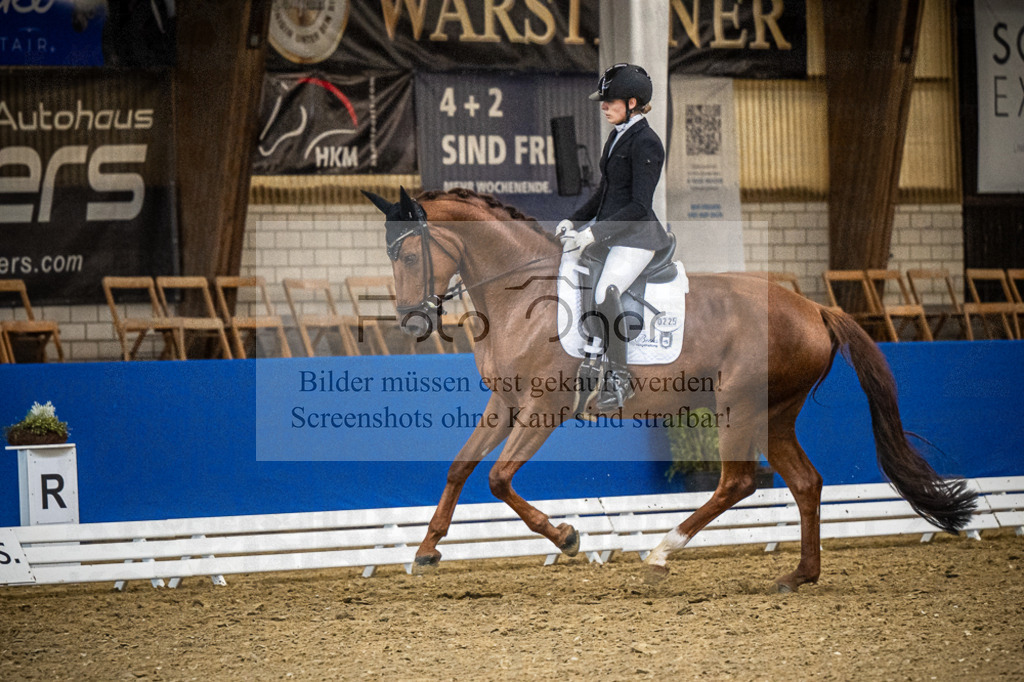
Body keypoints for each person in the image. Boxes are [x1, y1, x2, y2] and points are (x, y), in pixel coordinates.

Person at [556, 63, 673, 413]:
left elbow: (638, 205)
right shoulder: (616, 135)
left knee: (609, 288)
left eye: (610, 101)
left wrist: (593, 233)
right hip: (611, 234)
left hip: (639, 238)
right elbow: (605, 194)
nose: (603, 106)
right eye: (603, 102)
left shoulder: (647, 142)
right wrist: (573, 221)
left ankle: (619, 378)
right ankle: (589, 355)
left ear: (632, 102)